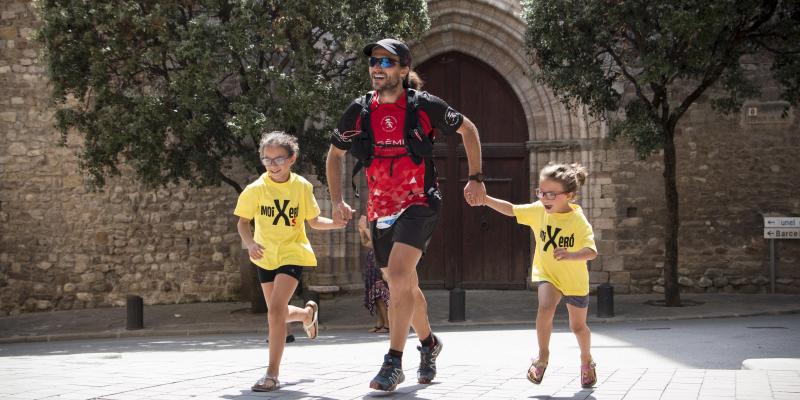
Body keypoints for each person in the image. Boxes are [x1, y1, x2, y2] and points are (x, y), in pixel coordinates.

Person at [326, 38, 487, 391]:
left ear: (403, 69)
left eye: (386, 62)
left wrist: (476, 179)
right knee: (405, 286)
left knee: (398, 276)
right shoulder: (360, 110)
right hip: (379, 209)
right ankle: (429, 344)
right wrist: (337, 201)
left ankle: (392, 362)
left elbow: (468, 129)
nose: (377, 68)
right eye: (373, 62)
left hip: (419, 202)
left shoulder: (423, 106)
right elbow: (335, 155)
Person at [235, 131, 346, 392]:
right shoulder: (255, 190)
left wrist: (336, 224)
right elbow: (242, 222)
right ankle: (308, 314)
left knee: (274, 312)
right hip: (265, 256)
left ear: (292, 158)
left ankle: (271, 374)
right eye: (268, 159)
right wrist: (250, 243)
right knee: (279, 312)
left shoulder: (302, 187)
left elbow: (313, 221)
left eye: (279, 159)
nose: (273, 165)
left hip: (292, 253)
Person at [481, 162, 598, 388]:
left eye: (551, 194)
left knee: (578, 327)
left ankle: (586, 359)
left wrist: (572, 255)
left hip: (574, 280)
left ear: (569, 196)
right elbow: (512, 209)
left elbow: (591, 251)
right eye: (541, 192)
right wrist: (486, 199)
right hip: (548, 274)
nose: (544, 198)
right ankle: (542, 357)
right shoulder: (538, 211)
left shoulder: (578, 220)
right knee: (545, 307)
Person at [358, 215, 390, 333]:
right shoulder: (375, 227)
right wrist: (362, 232)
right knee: (376, 298)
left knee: (382, 297)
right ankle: (380, 323)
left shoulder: (387, 226)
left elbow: (379, 242)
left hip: (381, 265)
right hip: (372, 266)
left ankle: (388, 325)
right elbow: (366, 243)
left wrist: (365, 228)